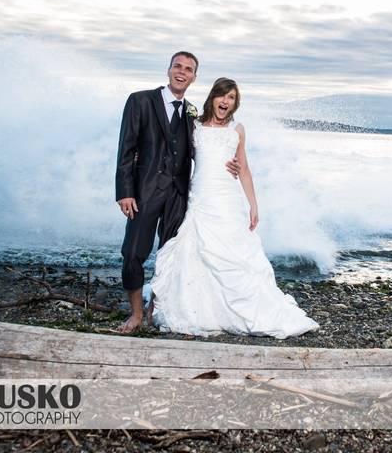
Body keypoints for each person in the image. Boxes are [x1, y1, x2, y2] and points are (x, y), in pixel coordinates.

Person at [148, 78, 319, 339]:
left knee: (236, 255)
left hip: (227, 199)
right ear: (213, 97)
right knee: (194, 248)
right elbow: (179, 158)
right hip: (201, 198)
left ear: (235, 104)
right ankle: (200, 309)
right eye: (222, 96)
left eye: (231, 98)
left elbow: (245, 169)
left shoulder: (237, 130)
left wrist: (253, 205)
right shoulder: (194, 126)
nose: (225, 102)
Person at [114, 52, 238, 333]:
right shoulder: (140, 100)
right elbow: (126, 149)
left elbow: (201, 150)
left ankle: (154, 310)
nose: (182, 72)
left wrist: (229, 163)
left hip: (179, 195)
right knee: (133, 252)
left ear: (194, 77)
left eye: (189, 69)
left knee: (171, 254)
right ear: (169, 70)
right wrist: (125, 192)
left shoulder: (193, 113)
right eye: (178, 67)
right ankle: (134, 314)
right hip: (144, 192)